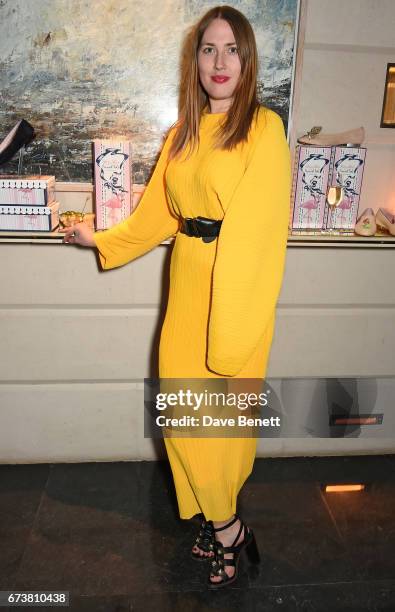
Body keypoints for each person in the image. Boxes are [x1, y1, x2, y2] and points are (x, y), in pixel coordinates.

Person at [63, 5, 291, 589]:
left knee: (213, 426)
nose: (220, 62)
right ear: (195, 61)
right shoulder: (182, 134)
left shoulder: (264, 128)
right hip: (188, 283)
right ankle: (223, 523)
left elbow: (261, 230)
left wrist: (230, 332)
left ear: (248, 59)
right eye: (209, 49)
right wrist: (99, 239)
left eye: (232, 49)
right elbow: (157, 217)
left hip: (233, 292)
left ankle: (229, 530)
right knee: (182, 418)